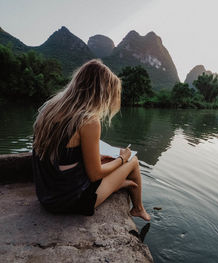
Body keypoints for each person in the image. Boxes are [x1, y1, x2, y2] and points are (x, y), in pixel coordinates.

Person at [32, 59, 150, 221]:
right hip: (71, 201)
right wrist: (123, 158)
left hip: (46, 195)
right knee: (134, 161)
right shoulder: (88, 121)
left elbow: (62, 154)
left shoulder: (49, 108)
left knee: (106, 162)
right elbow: (95, 175)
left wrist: (100, 159)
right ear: (101, 92)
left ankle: (116, 185)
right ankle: (138, 208)